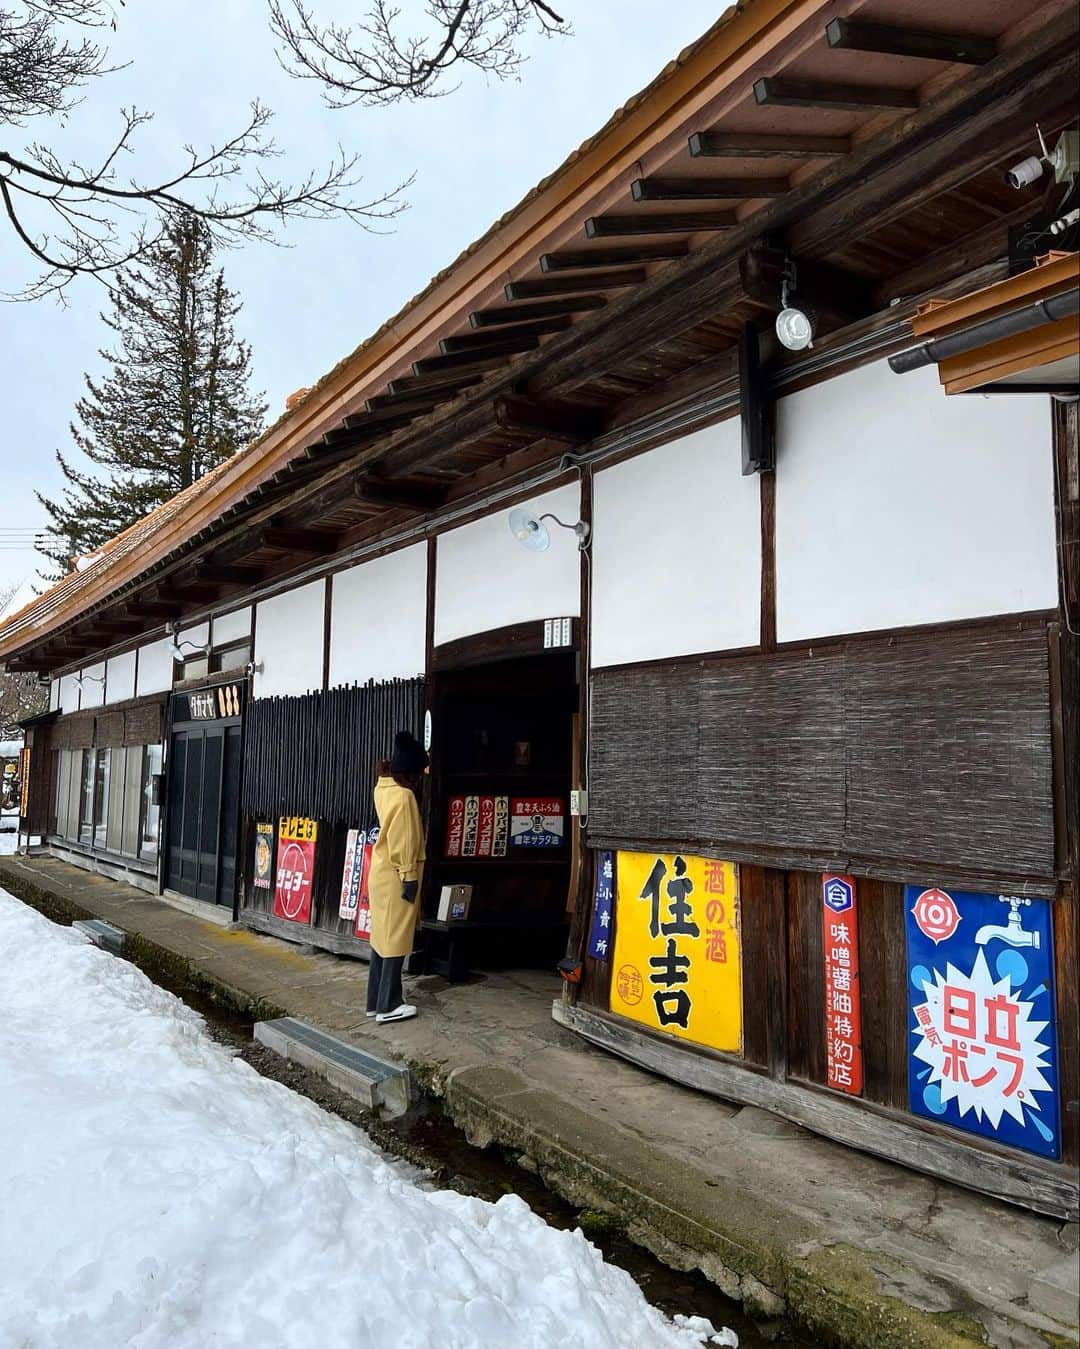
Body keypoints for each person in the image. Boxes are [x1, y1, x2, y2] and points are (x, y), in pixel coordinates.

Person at [366, 730, 428, 1024]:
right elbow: (404, 842)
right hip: (397, 875)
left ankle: (375, 1000)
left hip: (380, 872)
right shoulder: (404, 797)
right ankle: (388, 1005)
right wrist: (410, 876)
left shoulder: (383, 789)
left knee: (381, 938)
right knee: (395, 941)